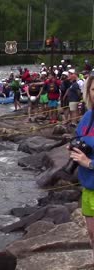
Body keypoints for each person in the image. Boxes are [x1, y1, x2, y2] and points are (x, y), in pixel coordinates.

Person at [68, 73, 94, 257]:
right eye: (93, 89)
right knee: (92, 234)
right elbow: (78, 138)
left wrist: (89, 163)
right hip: (88, 187)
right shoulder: (88, 117)